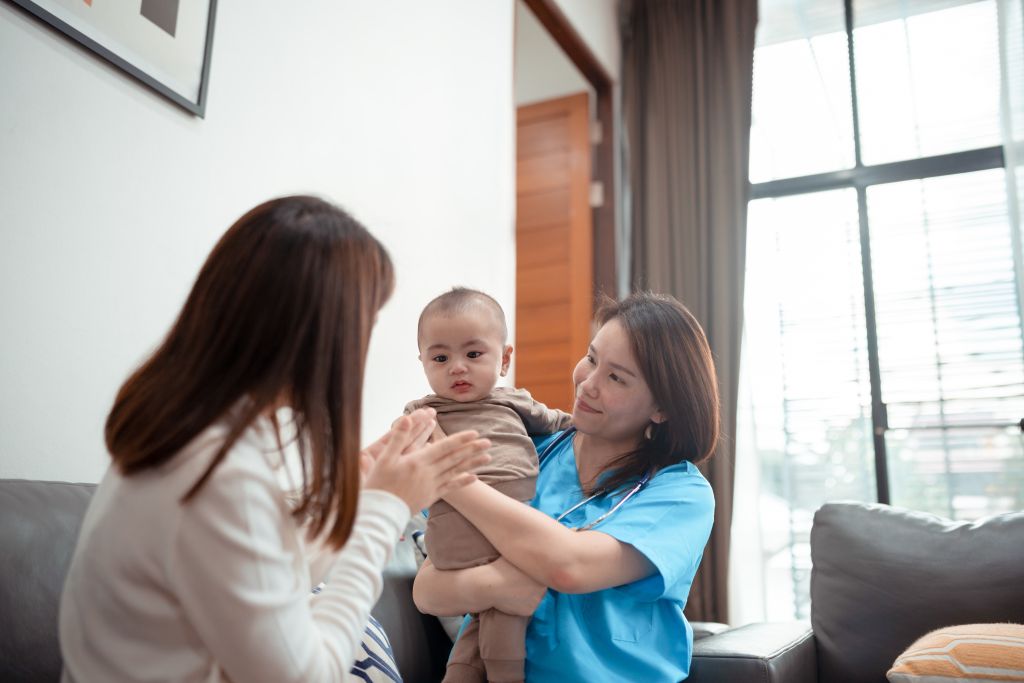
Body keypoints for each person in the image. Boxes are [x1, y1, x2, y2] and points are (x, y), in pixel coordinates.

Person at [58, 195, 492, 683]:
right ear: (321, 332)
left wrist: (355, 507)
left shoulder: (188, 434)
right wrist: (382, 513)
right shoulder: (215, 472)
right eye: (364, 323)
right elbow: (308, 674)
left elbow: (256, 590)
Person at [414, 292, 720, 682]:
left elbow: (571, 566)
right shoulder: (521, 452)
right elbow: (428, 590)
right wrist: (500, 585)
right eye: (592, 359)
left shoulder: (679, 494)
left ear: (662, 409)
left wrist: (451, 477)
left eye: (616, 378)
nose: (587, 384)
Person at [405, 287, 572, 683]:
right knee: (505, 615)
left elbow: (565, 425)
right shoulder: (424, 414)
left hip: (511, 525)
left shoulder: (514, 402)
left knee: (484, 620)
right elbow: (401, 459)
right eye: (440, 357)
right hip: (459, 530)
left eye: (473, 354)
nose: (457, 367)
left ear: (505, 359)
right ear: (424, 363)